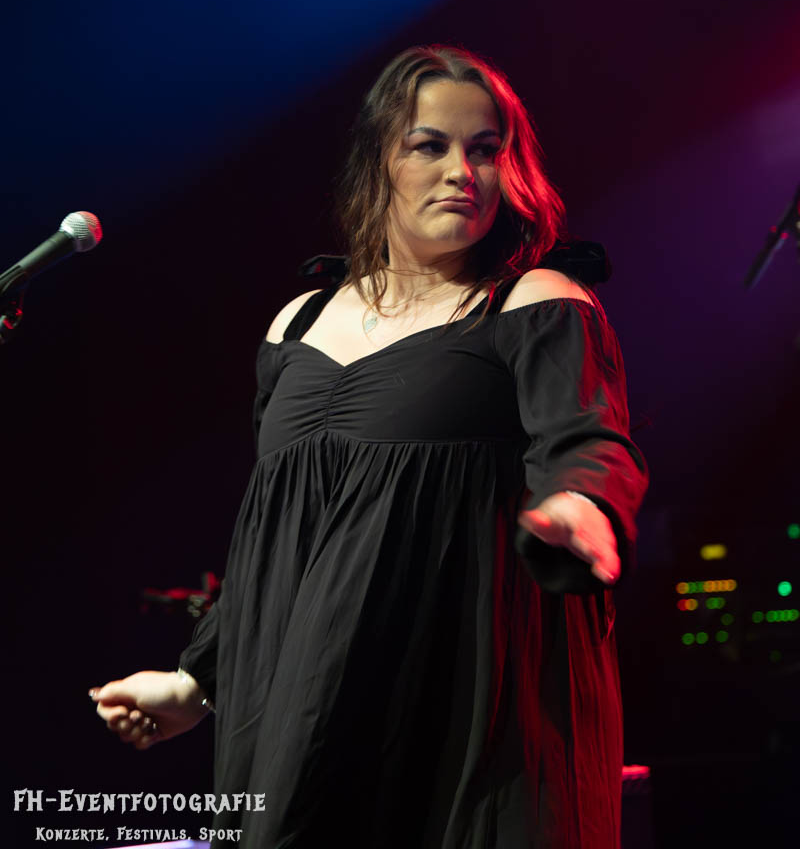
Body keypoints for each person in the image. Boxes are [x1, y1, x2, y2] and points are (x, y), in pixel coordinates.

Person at [91, 45, 648, 848]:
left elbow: (590, 440)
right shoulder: (298, 325)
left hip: (460, 713)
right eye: (430, 146)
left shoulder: (534, 301)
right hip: (309, 718)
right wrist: (194, 682)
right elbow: (278, 541)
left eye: (485, 150)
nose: (462, 172)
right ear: (376, 164)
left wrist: (583, 504)